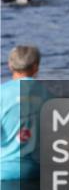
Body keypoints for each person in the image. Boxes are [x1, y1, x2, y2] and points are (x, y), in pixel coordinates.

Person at [1, 46, 48, 181]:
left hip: (4, 173)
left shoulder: (1, 94)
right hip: (36, 174)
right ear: (36, 67)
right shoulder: (48, 96)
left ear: (10, 66)